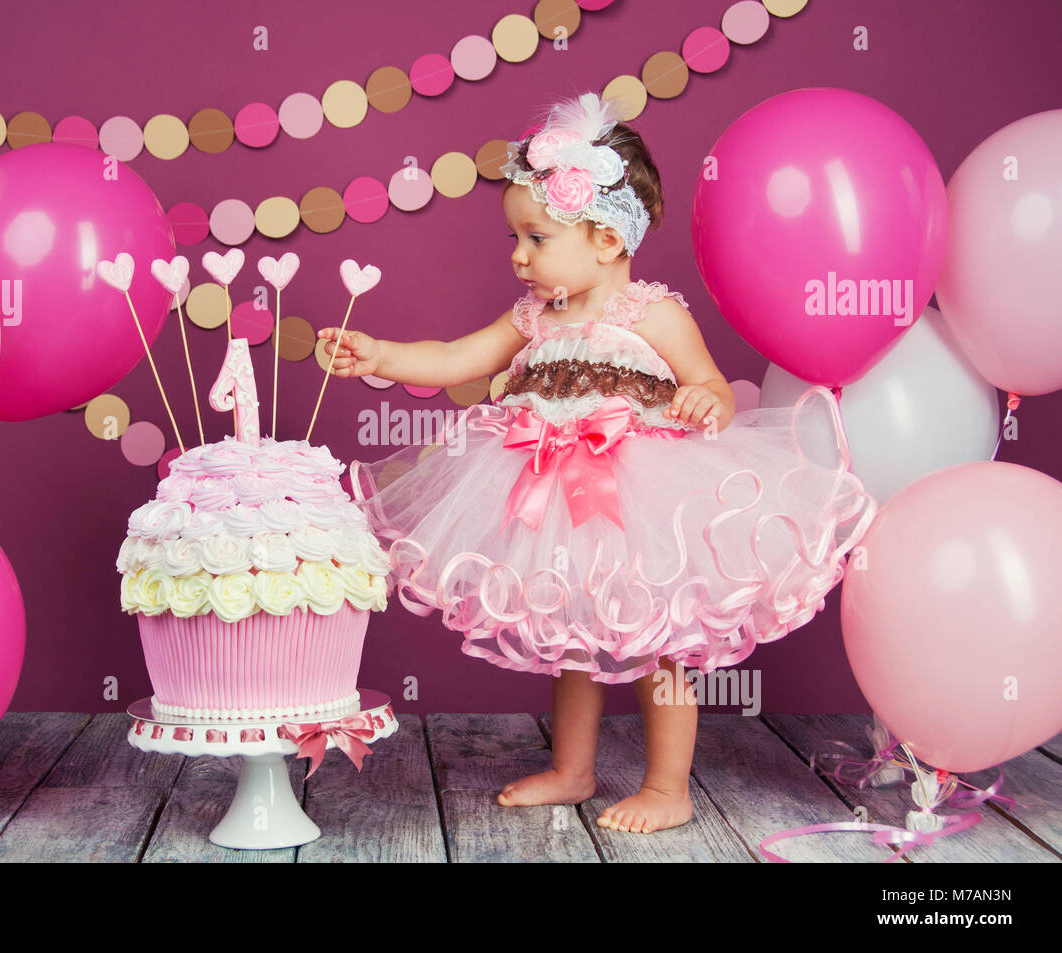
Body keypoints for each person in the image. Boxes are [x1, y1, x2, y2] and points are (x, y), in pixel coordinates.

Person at [318, 92, 876, 834]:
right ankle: (572, 767)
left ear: (607, 241)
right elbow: (456, 357)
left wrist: (707, 402)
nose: (518, 254)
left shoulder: (653, 314)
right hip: (548, 494)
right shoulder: (531, 318)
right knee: (569, 637)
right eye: (517, 237)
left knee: (660, 642)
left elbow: (708, 382)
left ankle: (668, 785)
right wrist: (380, 356)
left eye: (536, 236)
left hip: (643, 500)